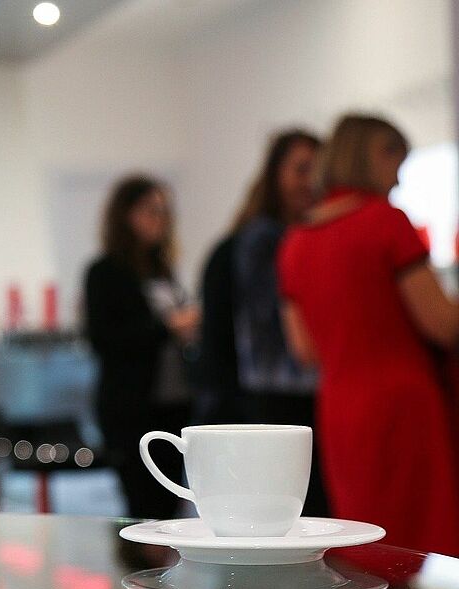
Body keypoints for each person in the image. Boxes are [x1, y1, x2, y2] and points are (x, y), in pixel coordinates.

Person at [279, 114, 459, 556]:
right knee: (423, 545)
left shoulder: (296, 243)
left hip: (340, 408)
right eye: (396, 159)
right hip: (403, 405)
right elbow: (442, 323)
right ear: (374, 155)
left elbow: (304, 350)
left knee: (365, 547)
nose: (398, 177)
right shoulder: (385, 223)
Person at [196, 129, 331, 517]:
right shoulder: (262, 242)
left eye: (317, 170)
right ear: (275, 175)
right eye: (301, 169)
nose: (311, 181)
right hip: (270, 410)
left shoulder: (283, 240)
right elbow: (270, 344)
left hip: (278, 405)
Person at [83, 175, 199, 521]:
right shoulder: (105, 272)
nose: (160, 219)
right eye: (150, 210)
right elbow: (104, 340)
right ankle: (138, 572)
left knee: (171, 504)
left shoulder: (162, 270)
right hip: (132, 407)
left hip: (175, 401)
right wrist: (168, 327)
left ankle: (164, 573)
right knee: (143, 507)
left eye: (164, 211)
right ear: (125, 215)